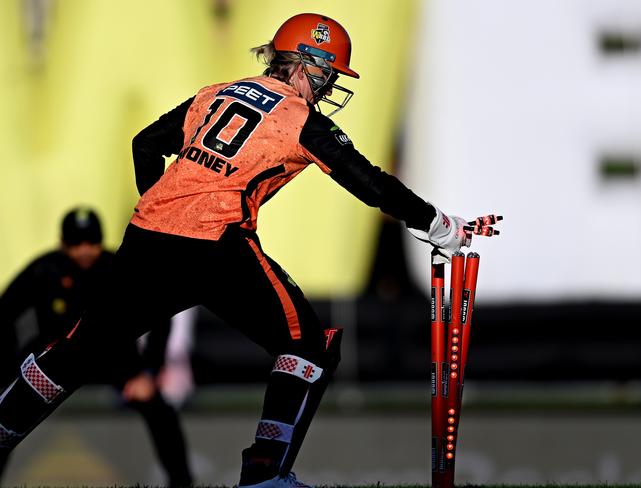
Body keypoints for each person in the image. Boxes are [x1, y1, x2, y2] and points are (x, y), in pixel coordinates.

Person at [0, 13, 500, 488]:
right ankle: (264, 471)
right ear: (306, 66)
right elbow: (368, 182)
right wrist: (438, 224)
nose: (328, 87)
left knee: (76, 352)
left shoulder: (214, 93)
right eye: (327, 75)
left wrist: (164, 206)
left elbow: (145, 144)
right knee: (310, 345)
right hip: (216, 243)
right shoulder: (300, 118)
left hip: (147, 237)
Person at [0, 208, 193, 487]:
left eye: (91, 243)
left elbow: (160, 315)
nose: (85, 251)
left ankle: (182, 481)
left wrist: (150, 371)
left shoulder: (117, 268)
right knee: (11, 409)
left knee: (159, 409)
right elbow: (5, 314)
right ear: (62, 243)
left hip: (110, 354)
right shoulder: (45, 269)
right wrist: (9, 368)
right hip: (55, 359)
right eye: (76, 244)